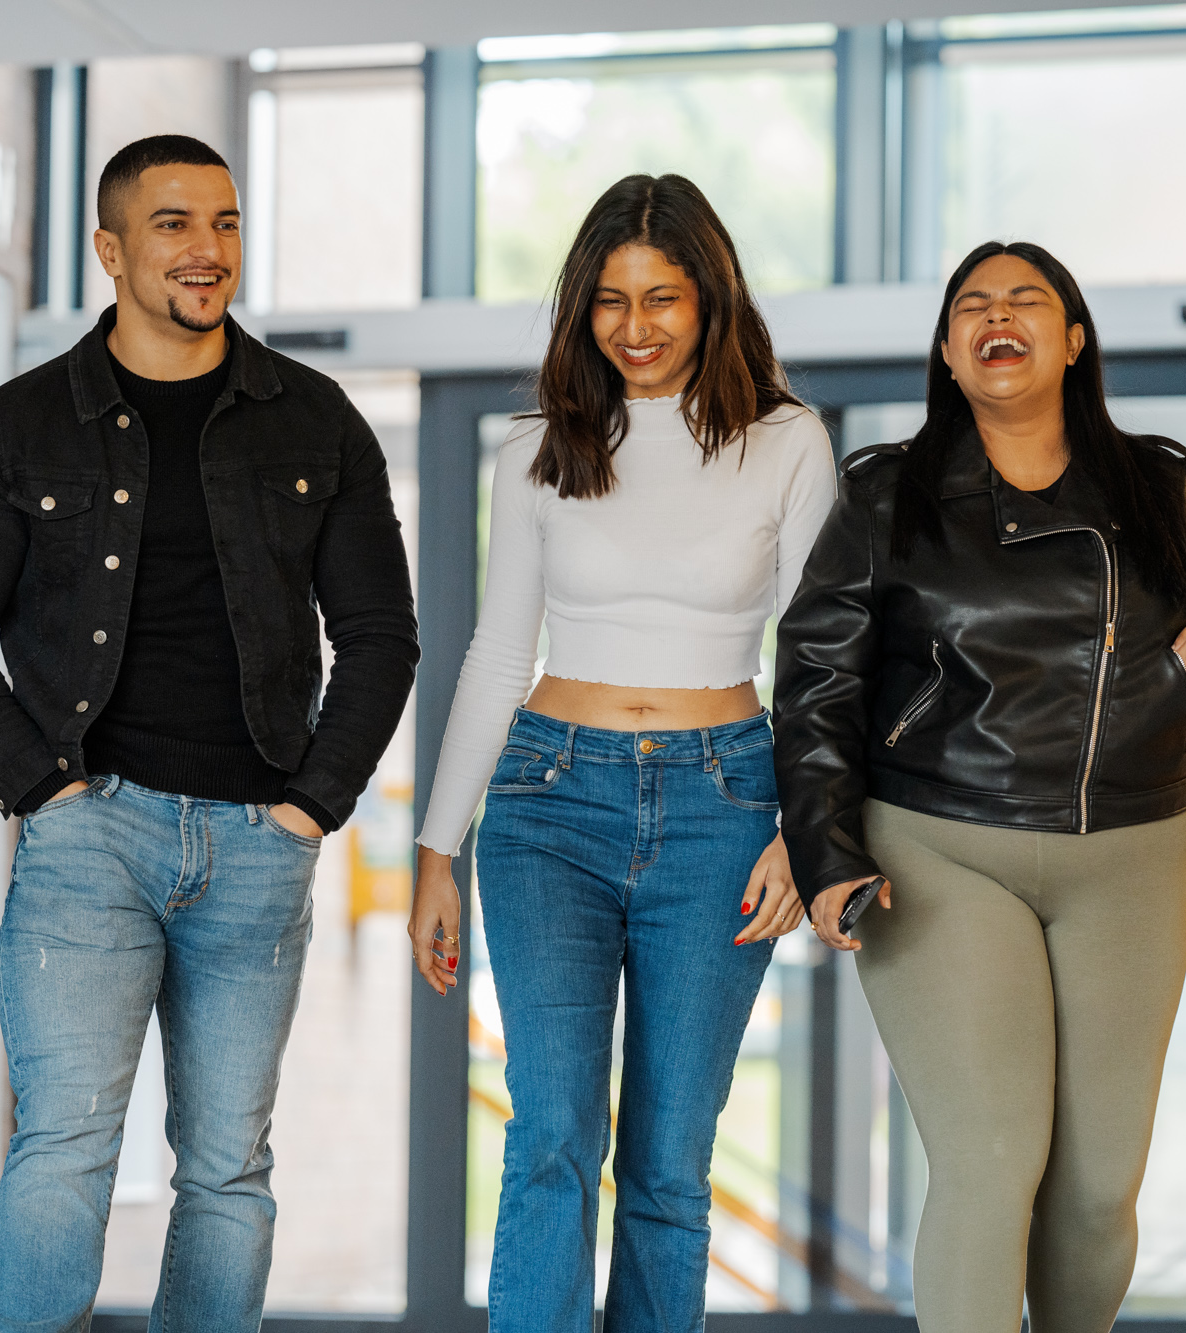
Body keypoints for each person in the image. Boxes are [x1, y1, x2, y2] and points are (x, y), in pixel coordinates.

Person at [0, 134, 418, 1332]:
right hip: (91, 836)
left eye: (226, 223)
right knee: (64, 1146)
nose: (206, 250)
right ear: (111, 250)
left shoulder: (316, 421)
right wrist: (39, 791)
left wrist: (310, 808)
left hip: (259, 839)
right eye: (175, 224)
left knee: (228, 1171)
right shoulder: (18, 427)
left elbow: (381, 636)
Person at [771, 240, 1186, 1332]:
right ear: (949, 354)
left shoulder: (1159, 483)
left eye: (1023, 300)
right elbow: (818, 680)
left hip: (1133, 853)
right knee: (991, 1157)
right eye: (970, 305)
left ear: (1072, 339)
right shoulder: (886, 491)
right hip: (939, 844)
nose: (993, 317)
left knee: (1097, 1193)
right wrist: (825, 850)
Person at [410, 173, 834, 1332]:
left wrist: (808, 831)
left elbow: (816, 658)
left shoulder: (787, 442)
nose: (635, 327)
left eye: (662, 297)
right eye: (609, 300)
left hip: (724, 805)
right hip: (549, 801)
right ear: (578, 310)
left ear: (711, 298)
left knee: (667, 1163)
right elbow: (497, 655)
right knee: (549, 1134)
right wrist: (436, 850)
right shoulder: (539, 446)